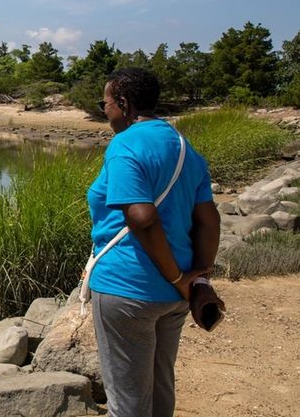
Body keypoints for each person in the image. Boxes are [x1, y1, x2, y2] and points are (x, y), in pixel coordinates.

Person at [86, 67, 223, 417]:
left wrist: (178, 277)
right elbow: (208, 220)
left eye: (105, 104)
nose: (104, 112)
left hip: (126, 289)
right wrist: (195, 279)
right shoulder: (183, 146)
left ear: (123, 103)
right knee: (161, 390)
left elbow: (142, 218)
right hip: (175, 296)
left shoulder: (125, 144)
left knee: (128, 403)